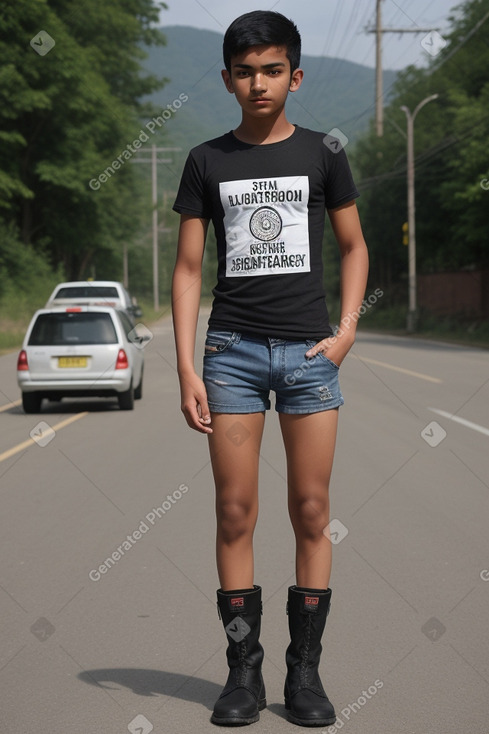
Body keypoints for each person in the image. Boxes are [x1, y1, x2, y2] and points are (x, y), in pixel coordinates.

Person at [171, 10, 369, 728]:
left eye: (272, 69)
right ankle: (243, 676)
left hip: (309, 356)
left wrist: (345, 331)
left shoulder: (323, 152)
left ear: (295, 75)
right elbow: (189, 269)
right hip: (231, 356)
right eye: (245, 71)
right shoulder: (205, 161)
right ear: (227, 79)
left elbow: (353, 247)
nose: (259, 82)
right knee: (233, 514)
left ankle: (305, 675)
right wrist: (188, 368)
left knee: (311, 511)